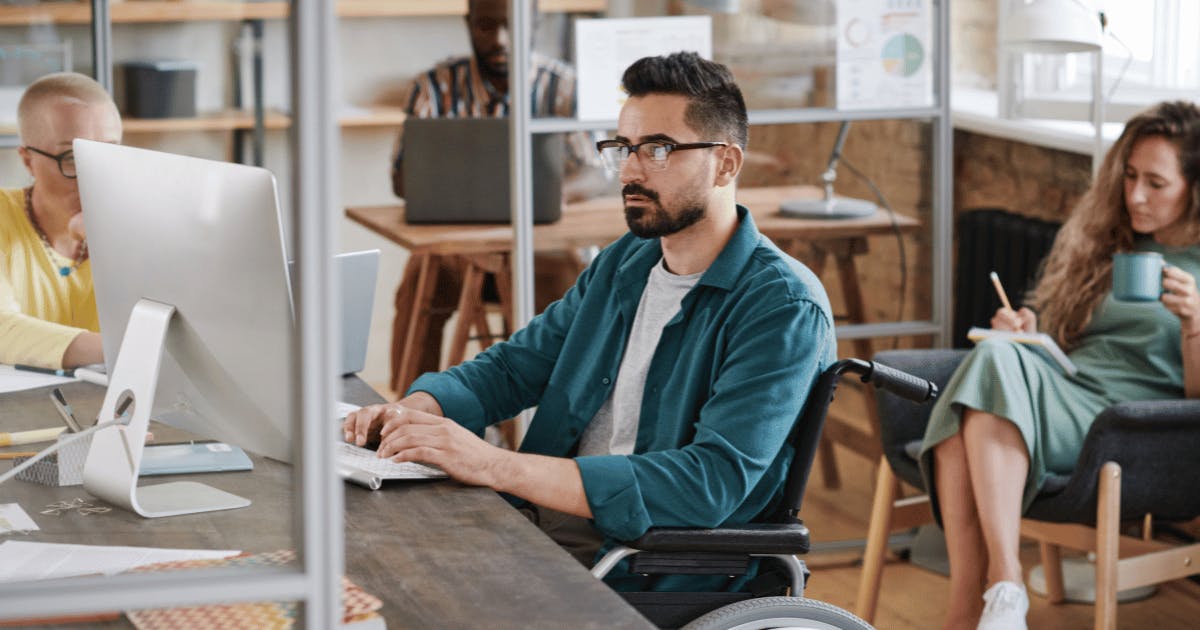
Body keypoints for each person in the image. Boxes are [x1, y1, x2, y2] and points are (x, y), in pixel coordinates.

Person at [348, 52, 836, 591]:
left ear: (726, 163)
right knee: (363, 554)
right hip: (549, 525)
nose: (629, 171)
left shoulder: (782, 307)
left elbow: (708, 482)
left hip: (649, 562)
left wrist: (492, 464)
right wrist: (413, 412)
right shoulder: (627, 261)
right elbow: (514, 367)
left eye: (658, 149)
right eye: (623, 148)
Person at [919, 100, 1200, 630]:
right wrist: (1033, 337)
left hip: (1136, 425)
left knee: (968, 403)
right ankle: (989, 600)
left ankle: (993, 592)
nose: (1135, 194)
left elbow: (1197, 400)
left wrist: (1194, 323)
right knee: (997, 357)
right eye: (1131, 176)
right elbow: (1073, 345)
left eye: (1156, 183)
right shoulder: (1110, 246)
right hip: (1070, 388)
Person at [389, 0, 608, 383]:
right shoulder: (434, 88)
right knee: (418, 285)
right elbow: (402, 178)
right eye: (486, 26)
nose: (500, 40)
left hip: (540, 249)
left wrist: (558, 192)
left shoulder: (564, 86)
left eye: (511, 27)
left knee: (576, 291)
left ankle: (560, 419)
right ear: (468, 24)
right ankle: (404, 414)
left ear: (534, 24)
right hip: (458, 248)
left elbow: (597, 169)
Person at [0, 72, 123, 369]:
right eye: (71, 156)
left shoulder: (142, 222)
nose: (94, 175)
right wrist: (127, 350)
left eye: (109, 151)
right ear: (28, 160)